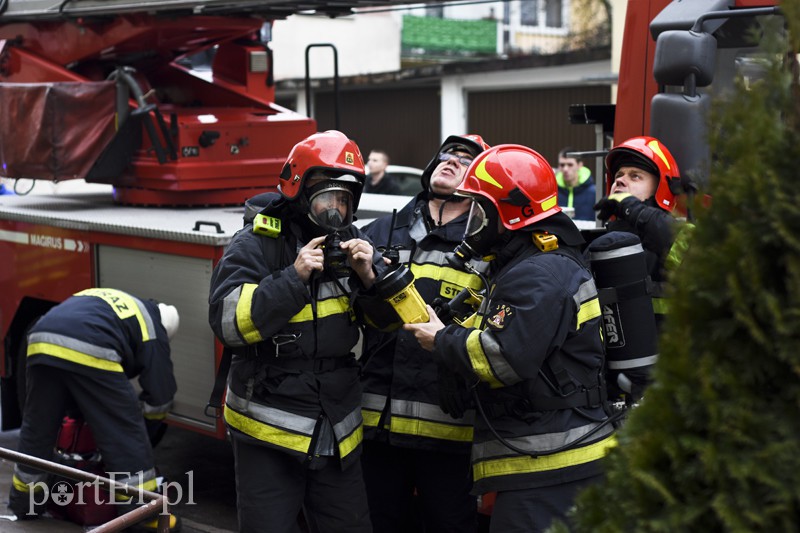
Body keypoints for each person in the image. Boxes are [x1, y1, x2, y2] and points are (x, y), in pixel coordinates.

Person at [404, 144, 616, 533]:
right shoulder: (531, 264)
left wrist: (442, 341)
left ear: (510, 213)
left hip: (549, 464)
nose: (474, 222)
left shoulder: (537, 273)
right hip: (550, 459)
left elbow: (503, 357)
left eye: (480, 210)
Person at [208, 130, 385, 533]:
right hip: (268, 426)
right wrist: (294, 276)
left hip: (337, 422)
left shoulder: (355, 246)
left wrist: (371, 278)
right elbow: (227, 322)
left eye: (344, 200)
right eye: (326, 197)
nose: (334, 210)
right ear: (299, 192)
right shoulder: (256, 244)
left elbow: (386, 326)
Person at [359, 134, 490, 532]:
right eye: (447, 155)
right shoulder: (378, 233)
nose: (452, 161)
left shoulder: (487, 248)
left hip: (448, 432)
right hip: (376, 427)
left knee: (448, 524)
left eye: (465, 160)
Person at [8, 288, 180, 531]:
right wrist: (146, 428)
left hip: (40, 339)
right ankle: (143, 515)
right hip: (90, 344)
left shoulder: (118, 302)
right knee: (123, 430)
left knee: (38, 428)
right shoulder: (154, 328)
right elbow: (161, 396)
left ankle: (25, 503)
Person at [593, 135, 690, 323]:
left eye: (635, 176)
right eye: (618, 175)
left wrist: (634, 210)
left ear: (661, 190)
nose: (620, 181)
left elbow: (692, 249)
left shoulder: (670, 240)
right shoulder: (599, 245)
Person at [555, 147, 595, 221]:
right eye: (562, 165)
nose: (565, 169)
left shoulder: (594, 193)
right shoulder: (553, 192)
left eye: (570, 165)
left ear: (580, 165)